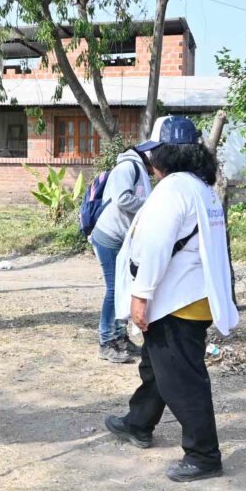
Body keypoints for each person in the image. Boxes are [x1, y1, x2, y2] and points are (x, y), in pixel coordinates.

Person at [105, 116, 238, 483]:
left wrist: (141, 296)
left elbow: (155, 247)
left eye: (153, 153)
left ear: (163, 154)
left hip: (175, 301)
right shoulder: (199, 187)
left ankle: (203, 455)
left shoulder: (173, 190)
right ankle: (139, 422)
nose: (150, 161)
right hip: (191, 297)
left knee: (182, 380)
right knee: (157, 367)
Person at [91, 146, 151, 363]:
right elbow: (122, 199)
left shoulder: (141, 171)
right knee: (114, 289)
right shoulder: (127, 167)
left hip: (123, 240)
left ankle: (120, 338)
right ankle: (106, 342)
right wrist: (151, 205)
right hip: (109, 236)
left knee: (124, 289)